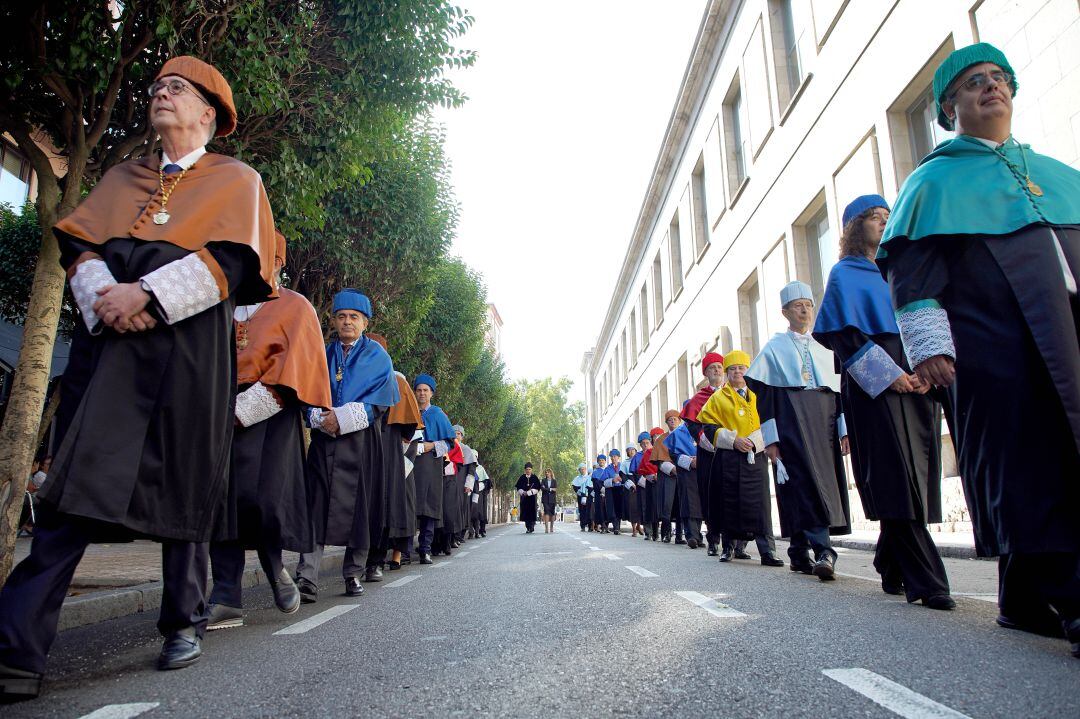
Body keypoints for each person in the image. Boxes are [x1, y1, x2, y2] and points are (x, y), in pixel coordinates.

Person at [0, 56, 276, 698]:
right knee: (76, 488)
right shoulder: (123, 176)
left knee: (182, 483)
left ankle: (185, 619)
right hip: (112, 352)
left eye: (177, 89)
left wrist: (145, 297)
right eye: (156, 88)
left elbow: (231, 265)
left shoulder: (239, 179)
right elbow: (81, 247)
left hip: (188, 352)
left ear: (208, 112)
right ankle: (16, 649)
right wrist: (103, 297)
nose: (162, 94)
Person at [879, 43, 1080, 650]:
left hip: (1070, 340)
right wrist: (929, 346)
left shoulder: (1057, 173)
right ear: (950, 106)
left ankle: (1021, 598)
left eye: (997, 78)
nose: (990, 88)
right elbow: (913, 279)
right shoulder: (934, 182)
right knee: (1031, 468)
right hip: (997, 349)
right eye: (973, 83)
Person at [814, 194, 953, 611]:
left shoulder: (901, 269)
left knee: (918, 473)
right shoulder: (844, 273)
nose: (882, 222)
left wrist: (928, 369)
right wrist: (890, 376)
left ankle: (890, 561)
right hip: (876, 385)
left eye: (886, 217)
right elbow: (845, 337)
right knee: (896, 473)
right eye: (874, 218)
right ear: (856, 227)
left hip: (918, 380)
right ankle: (927, 580)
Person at [207, 231, 331, 629]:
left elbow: (298, 369)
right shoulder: (219, 303)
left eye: (264, 258)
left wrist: (243, 410)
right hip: (214, 414)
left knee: (264, 502)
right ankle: (226, 595)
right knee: (219, 503)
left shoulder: (295, 307)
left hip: (270, 417)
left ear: (278, 262)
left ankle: (276, 571)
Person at [295, 289, 399, 603]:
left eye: (354, 317)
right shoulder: (321, 353)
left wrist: (342, 418)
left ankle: (352, 573)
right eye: (341, 317)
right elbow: (305, 393)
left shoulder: (378, 357)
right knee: (316, 506)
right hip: (324, 443)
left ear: (365, 322)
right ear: (334, 320)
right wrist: (317, 417)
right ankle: (307, 576)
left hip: (360, 443)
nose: (347, 322)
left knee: (360, 510)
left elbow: (380, 402)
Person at [747, 281, 852, 580]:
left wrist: (844, 430)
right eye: (798, 305)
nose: (805, 309)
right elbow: (765, 401)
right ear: (785, 312)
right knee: (804, 482)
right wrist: (771, 440)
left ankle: (797, 552)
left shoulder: (824, 345)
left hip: (825, 421)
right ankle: (824, 551)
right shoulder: (774, 349)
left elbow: (838, 391)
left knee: (814, 483)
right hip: (791, 421)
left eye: (808, 304)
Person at [697, 351, 784, 567]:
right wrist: (733, 440)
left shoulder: (759, 394)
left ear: (748, 370)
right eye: (732, 369)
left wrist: (755, 441)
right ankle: (728, 547)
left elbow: (770, 421)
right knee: (729, 502)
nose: (737, 372)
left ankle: (767, 550)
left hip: (756, 455)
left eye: (741, 368)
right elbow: (708, 427)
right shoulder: (717, 398)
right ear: (727, 373)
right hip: (728, 458)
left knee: (761, 504)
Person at [681, 352, 725, 555]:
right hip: (709, 452)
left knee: (734, 494)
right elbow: (692, 423)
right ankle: (714, 539)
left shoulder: (732, 394)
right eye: (712, 367)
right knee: (711, 495)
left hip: (732, 451)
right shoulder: (699, 397)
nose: (717, 370)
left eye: (719, 366)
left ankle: (737, 543)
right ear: (706, 373)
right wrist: (704, 441)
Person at [411, 374, 456, 564]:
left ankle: (425, 549)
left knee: (428, 507)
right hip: (409, 464)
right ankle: (403, 551)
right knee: (408, 505)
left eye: (425, 390)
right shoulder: (408, 411)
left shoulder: (437, 414)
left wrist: (430, 446)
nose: (422, 393)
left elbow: (449, 443)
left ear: (431, 393)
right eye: (418, 390)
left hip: (430, 464)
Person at [665, 408, 705, 549]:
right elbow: (673, 455)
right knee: (689, 503)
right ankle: (691, 536)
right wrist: (689, 461)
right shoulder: (676, 434)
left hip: (702, 469)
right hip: (686, 471)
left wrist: (701, 460)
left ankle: (699, 535)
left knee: (701, 503)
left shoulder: (703, 429)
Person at [653, 411, 684, 544]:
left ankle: (679, 536)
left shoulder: (685, 437)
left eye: (675, 419)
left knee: (682, 505)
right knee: (667, 505)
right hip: (668, 475)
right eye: (670, 419)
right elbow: (659, 462)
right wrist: (672, 469)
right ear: (666, 422)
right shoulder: (661, 439)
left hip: (684, 473)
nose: (672, 421)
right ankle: (666, 534)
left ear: (679, 421)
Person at [589, 454, 616, 533]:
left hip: (608, 492)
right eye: (600, 460)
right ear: (598, 462)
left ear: (605, 461)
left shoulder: (608, 469)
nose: (601, 462)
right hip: (599, 493)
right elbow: (596, 482)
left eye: (603, 460)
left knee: (608, 509)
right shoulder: (595, 472)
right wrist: (601, 489)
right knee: (600, 509)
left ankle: (607, 526)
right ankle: (603, 526)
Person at [515, 463, 542, 533]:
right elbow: (518, 487)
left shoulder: (534, 477)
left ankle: (532, 526)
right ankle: (528, 527)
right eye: (527, 469)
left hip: (532, 498)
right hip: (524, 498)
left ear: (531, 470)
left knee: (532, 512)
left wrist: (530, 492)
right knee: (525, 512)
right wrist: (523, 492)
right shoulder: (522, 477)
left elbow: (537, 488)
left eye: (529, 469)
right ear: (525, 470)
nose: (528, 471)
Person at [572, 463, 591, 531]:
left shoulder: (589, 478)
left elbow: (591, 487)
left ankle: (589, 526)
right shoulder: (577, 478)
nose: (582, 470)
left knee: (589, 511)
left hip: (588, 497)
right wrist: (579, 492)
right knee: (582, 511)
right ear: (579, 470)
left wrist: (587, 493)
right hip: (580, 497)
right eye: (581, 469)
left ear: (585, 469)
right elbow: (574, 487)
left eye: (583, 469)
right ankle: (582, 526)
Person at [540, 468, 558, 533]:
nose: (547, 473)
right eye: (546, 472)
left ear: (551, 473)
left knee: (552, 513)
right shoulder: (543, 480)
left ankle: (551, 527)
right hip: (545, 499)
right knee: (546, 512)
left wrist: (547, 488)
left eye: (548, 472)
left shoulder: (554, 481)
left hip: (552, 499)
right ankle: (546, 528)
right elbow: (542, 488)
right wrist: (551, 489)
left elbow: (555, 489)